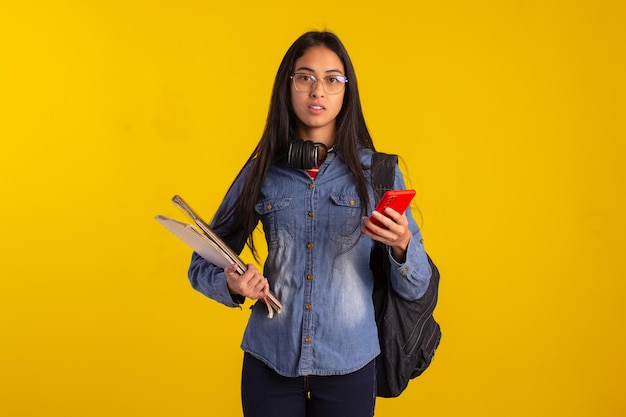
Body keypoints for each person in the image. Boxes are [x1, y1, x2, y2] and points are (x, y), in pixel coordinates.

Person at [187, 31, 432, 417]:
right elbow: (200, 265)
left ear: (346, 93)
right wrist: (232, 284)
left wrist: (402, 247)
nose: (318, 90)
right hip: (270, 361)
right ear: (288, 86)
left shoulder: (379, 174)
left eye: (332, 79)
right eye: (305, 77)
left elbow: (417, 285)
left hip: (350, 364)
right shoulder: (261, 172)